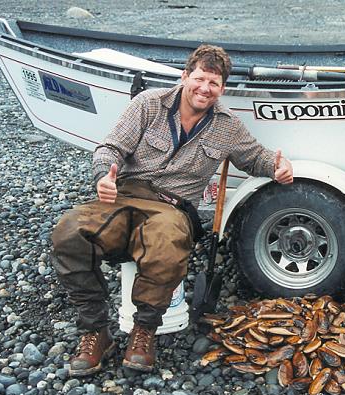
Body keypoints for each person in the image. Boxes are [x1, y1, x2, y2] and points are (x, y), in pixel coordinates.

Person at [51, 44, 294, 376]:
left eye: (214, 83)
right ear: (185, 77)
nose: (205, 89)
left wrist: (278, 168)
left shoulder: (227, 126)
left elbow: (255, 157)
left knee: (166, 243)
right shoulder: (147, 104)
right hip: (123, 196)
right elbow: (110, 148)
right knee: (69, 232)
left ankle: (144, 332)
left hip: (171, 207)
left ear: (223, 88)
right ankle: (96, 331)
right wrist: (102, 175)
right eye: (199, 79)